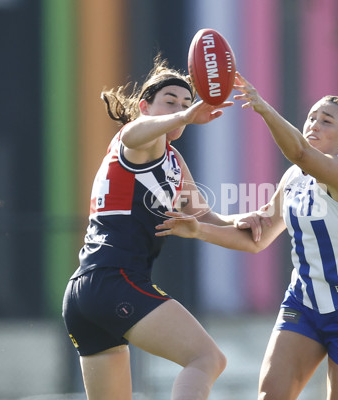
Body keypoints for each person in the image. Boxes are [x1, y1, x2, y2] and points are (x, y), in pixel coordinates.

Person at [156, 72, 338, 400]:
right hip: (305, 303)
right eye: (311, 117)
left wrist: (262, 107)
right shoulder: (294, 179)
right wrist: (200, 229)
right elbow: (256, 239)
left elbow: (299, 151)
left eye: (326, 121)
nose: (314, 124)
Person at [62, 55, 239, 400]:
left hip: (87, 292)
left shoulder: (172, 158)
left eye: (187, 102)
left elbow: (205, 218)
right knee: (206, 359)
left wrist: (250, 217)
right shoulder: (143, 141)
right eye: (169, 101)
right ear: (144, 106)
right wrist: (185, 115)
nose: (181, 108)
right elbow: (132, 132)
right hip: (115, 281)